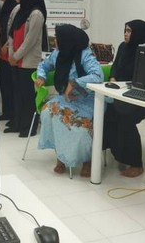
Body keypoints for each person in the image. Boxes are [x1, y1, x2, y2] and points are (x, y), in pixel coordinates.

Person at [35, 24, 104, 177]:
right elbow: (43, 65)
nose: (55, 41)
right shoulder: (58, 54)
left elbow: (98, 75)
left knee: (79, 125)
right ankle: (61, 155)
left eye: (58, 39)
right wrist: (41, 77)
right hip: (65, 98)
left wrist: (74, 83)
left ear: (68, 41)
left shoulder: (85, 54)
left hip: (86, 99)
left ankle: (88, 160)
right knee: (48, 112)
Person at [103, 19, 145, 177]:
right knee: (109, 112)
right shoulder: (123, 47)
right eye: (125, 30)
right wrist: (113, 78)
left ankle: (136, 163)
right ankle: (115, 151)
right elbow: (115, 66)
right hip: (121, 94)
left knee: (124, 116)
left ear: (139, 34)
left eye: (129, 31)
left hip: (144, 99)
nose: (125, 34)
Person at [6, 0, 47, 137]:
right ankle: (17, 123)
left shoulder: (36, 14)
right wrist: (11, 54)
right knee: (17, 94)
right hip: (15, 59)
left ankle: (28, 127)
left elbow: (30, 41)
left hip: (28, 62)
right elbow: (11, 33)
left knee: (28, 96)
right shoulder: (19, 9)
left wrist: (16, 56)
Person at [0, 0, 16, 121]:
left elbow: (14, 32)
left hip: (10, 52)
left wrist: (6, 44)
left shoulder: (14, 10)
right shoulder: (4, 8)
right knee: (4, 84)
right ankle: (6, 112)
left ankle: (12, 113)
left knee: (11, 85)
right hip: (2, 53)